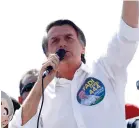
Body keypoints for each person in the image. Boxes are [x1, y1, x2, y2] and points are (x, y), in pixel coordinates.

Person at [9, 1, 139, 128]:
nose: (62, 44)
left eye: (69, 38)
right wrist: (39, 84)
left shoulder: (106, 69)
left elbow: (127, 35)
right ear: (47, 54)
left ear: (83, 48)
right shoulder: (42, 97)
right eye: (55, 40)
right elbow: (16, 126)